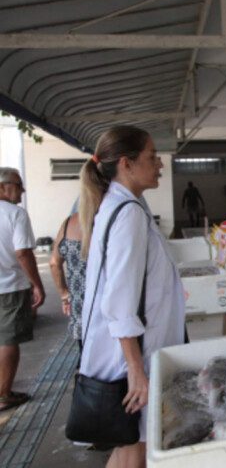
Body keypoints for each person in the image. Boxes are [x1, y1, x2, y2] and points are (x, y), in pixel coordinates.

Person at [78, 126, 185, 467]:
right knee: (133, 450)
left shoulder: (121, 205)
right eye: (152, 157)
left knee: (133, 449)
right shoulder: (128, 216)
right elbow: (121, 303)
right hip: (131, 360)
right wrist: (136, 370)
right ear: (126, 164)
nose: (159, 165)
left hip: (130, 353)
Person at [0, 168, 45, 412]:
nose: (22, 190)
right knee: (7, 340)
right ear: (2, 187)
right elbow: (23, 253)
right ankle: (3, 394)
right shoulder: (15, 214)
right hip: (9, 287)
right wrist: (36, 284)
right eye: (18, 184)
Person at [49, 213, 86, 347]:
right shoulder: (117, 218)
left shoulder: (69, 223)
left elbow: (54, 263)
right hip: (113, 313)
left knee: (87, 360)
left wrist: (65, 295)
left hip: (80, 311)